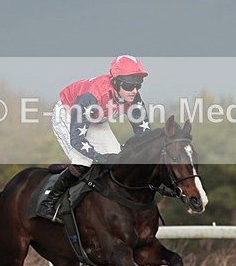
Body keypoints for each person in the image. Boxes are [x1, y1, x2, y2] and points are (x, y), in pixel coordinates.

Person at [37, 55, 151, 222]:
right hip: (68, 114)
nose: (134, 90)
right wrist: (98, 157)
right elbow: (77, 138)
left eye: (138, 84)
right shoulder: (91, 96)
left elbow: (143, 134)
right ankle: (48, 203)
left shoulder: (134, 97)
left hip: (96, 118)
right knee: (84, 160)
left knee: (116, 158)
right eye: (129, 85)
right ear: (116, 81)